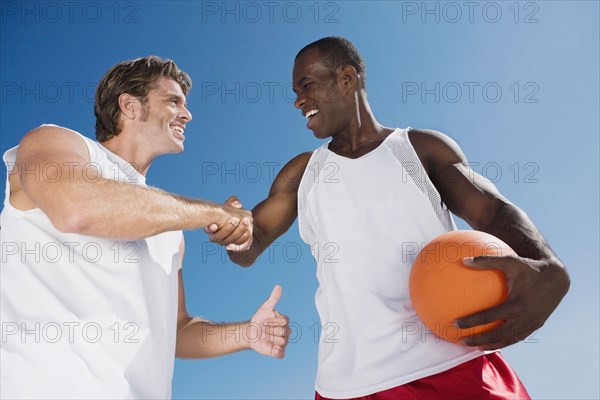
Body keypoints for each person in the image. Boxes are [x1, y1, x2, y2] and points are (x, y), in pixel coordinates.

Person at [207, 37, 570, 399]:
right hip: (348, 386)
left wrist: (548, 265)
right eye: (295, 91)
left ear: (346, 79)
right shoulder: (302, 173)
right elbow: (252, 243)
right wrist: (236, 233)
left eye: (307, 86)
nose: (298, 100)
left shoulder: (419, 148)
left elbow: (491, 209)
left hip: (453, 368)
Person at [0, 56, 290, 399]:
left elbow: (177, 331)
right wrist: (214, 212)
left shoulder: (168, 223)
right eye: (173, 101)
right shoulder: (55, 143)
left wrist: (246, 334)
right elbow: (76, 208)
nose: (187, 114)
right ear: (130, 106)